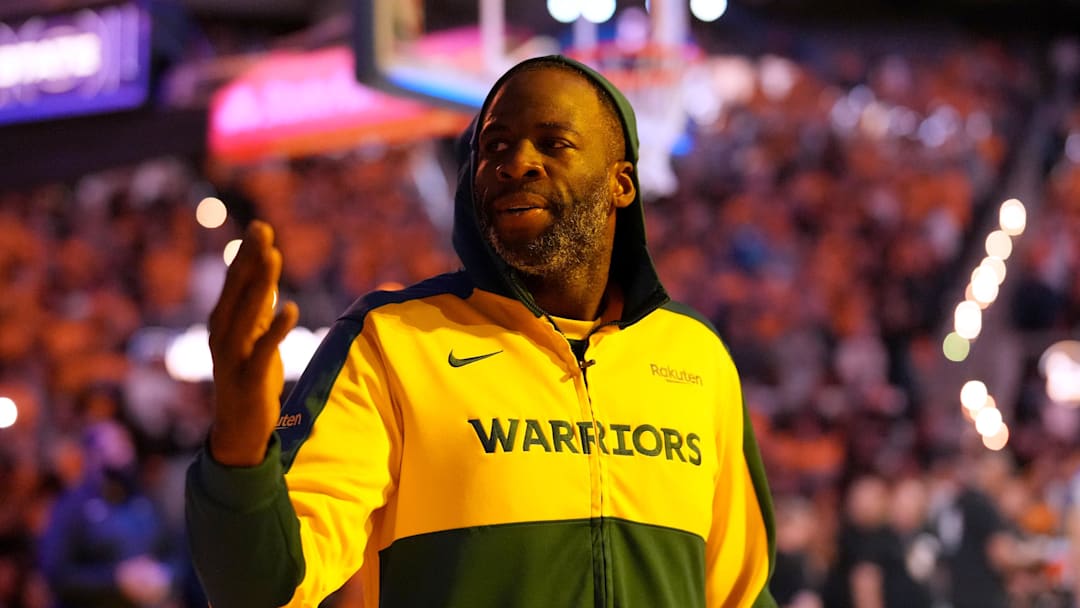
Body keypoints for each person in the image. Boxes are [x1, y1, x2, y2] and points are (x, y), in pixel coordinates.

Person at [185, 55, 776, 607]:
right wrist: (238, 449)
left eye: (553, 143)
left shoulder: (697, 358)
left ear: (622, 183)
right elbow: (265, 589)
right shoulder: (390, 342)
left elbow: (743, 595)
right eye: (495, 145)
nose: (516, 162)